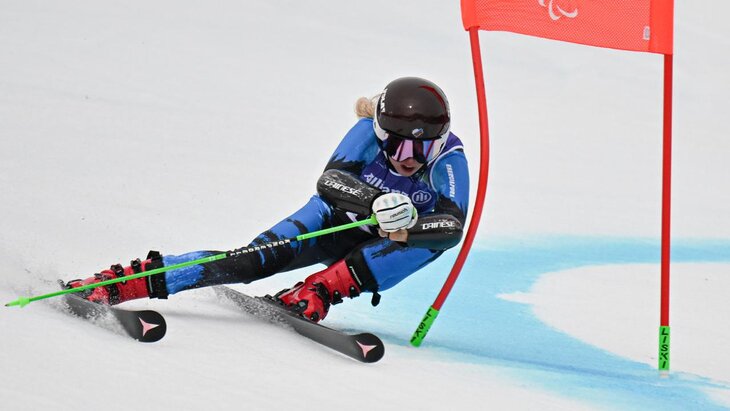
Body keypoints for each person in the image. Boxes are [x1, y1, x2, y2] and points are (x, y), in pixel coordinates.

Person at [65, 77, 470, 323]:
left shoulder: (449, 160)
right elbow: (330, 181)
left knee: (430, 243)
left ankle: (318, 291)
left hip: (380, 248)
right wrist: (374, 200)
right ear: (380, 131)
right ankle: (126, 281)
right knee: (245, 263)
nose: (408, 158)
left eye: (421, 149)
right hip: (329, 221)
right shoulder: (367, 130)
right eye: (396, 146)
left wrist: (402, 229)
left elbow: (451, 227)